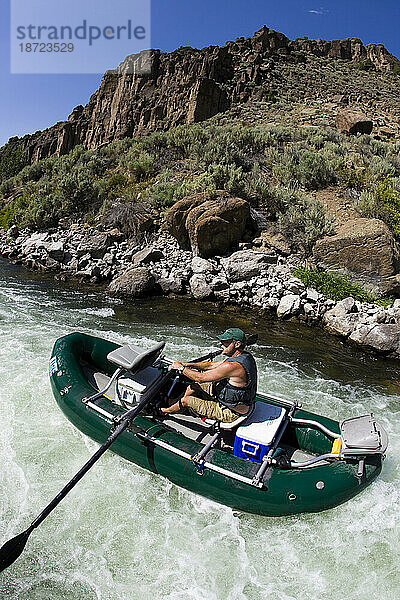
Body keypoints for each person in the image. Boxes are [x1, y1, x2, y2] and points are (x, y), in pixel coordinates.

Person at [161, 328, 258, 423]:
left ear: (237, 344)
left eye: (225, 341)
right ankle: (173, 404)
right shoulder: (244, 356)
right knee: (193, 386)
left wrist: (181, 368)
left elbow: (200, 378)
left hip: (230, 412)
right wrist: (187, 364)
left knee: (186, 400)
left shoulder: (232, 366)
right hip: (231, 399)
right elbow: (210, 365)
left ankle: (164, 411)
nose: (220, 343)